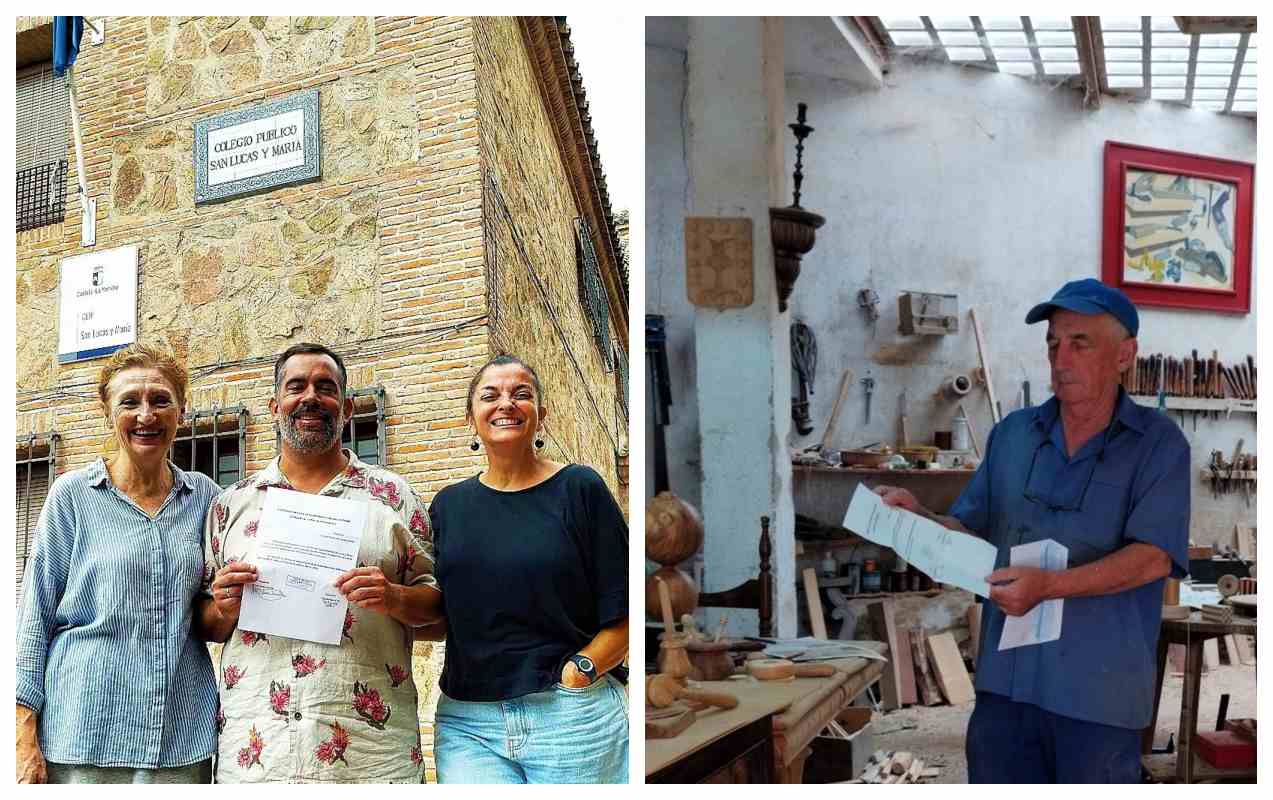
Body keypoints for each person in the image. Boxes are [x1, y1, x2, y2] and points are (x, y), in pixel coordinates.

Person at [875, 279, 1189, 783]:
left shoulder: (1158, 445)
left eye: (1079, 342)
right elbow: (970, 528)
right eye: (1052, 343)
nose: (1060, 358)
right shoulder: (1014, 435)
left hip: (1098, 700)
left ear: (1125, 354)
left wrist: (1049, 587)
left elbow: (1154, 557)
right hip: (1007, 694)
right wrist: (920, 522)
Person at [195, 343, 442, 783]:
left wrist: (394, 597)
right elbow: (208, 624)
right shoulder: (230, 506)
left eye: (325, 388)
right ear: (274, 406)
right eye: (296, 386)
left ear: (346, 407)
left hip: (369, 754)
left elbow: (440, 612)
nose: (310, 397)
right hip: (258, 751)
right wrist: (224, 607)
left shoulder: (394, 498)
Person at [16, 345, 221, 784]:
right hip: (83, 732)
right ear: (107, 413)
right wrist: (20, 733)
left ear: (180, 412)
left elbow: (210, 611)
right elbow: (34, 617)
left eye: (160, 400)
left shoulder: (205, 498)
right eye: (129, 402)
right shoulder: (72, 497)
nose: (146, 414)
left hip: (180, 735)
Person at [429, 354, 629, 784]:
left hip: (569, 717)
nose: (506, 404)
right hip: (469, 723)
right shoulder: (448, 505)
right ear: (471, 416)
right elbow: (443, 610)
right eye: (490, 395)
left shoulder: (580, 488)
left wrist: (582, 672)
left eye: (522, 394)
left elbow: (627, 603)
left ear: (541, 415)